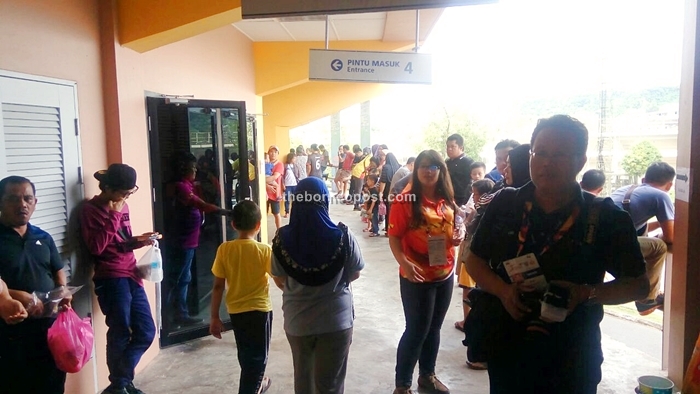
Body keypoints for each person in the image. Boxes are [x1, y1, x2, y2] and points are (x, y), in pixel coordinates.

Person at [464, 115, 648, 394]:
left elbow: (637, 284)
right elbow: (474, 260)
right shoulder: (507, 204)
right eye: (540, 153)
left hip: (571, 354)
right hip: (508, 346)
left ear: (580, 161)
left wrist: (584, 293)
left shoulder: (606, 217)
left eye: (560, 154)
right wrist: (503, 291)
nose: (547, 162)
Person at [271, 177, 364, 394]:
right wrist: (331, 285)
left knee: (303, 381)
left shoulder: (281, 239)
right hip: (336, 322)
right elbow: (356, 272)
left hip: (298, 322)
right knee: (330, 385)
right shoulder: (343, 236)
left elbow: (278, 277)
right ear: (324, 200)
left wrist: (301, 287)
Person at [80, 164, 158, 394]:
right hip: (111, 277)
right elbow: (96, 247)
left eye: (129, 192)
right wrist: (113, 214)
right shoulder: (90, 210)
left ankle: (119, 383)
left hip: (131, 274)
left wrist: (141, 241)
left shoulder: (123, 206)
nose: (126, 197)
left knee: (146, 330)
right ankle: (121, 384)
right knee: (120, 330)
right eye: (122, 192)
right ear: (107, 188)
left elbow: (122, 242)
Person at [388, 150, 458, 394]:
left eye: (434, 167)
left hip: (445, 273)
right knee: (416, 330)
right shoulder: (405, 200)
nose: (429, 171)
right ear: (416, 171)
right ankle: (402, 385)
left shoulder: (446, 197)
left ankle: (427, 376)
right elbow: (394, 237)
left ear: (441, 171)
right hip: (416, 276)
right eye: (424, 167)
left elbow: (453, 226)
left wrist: (458, 236)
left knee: (435, 328)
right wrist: (404, 262)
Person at [0, 175, 72, 394]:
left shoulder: (43, 237)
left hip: (48, 329)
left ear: (35, 202)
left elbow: (58, 270)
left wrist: (64, 292)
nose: (22, 204)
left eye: (27, 198)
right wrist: (17, 296)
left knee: (52, 384)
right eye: (13, 198)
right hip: (10, 333)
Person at [209, 201, 273, 394]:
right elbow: (279, 280)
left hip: (237, 312)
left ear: (233, 225)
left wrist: (214, 317)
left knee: (246, 356)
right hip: (260, 311)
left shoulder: (225, 249)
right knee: (258, 358)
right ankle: (253, 386)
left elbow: (218, 286)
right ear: (259, 225)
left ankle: (259, 382)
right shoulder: (264, 250)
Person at [166, 152, 224, 327]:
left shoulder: (190, 185)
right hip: (183, 241)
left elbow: (216, 190)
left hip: (190, 240)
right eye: (193, 168)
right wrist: (224, 212)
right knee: (179, 279)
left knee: (185, 277)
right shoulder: (180, 186)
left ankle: (179, 313)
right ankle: (176, 316)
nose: (195, 171)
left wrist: (208, 176)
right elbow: (202, 205)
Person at [609, 161, 675, 315]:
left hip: (601, 240)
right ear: (670, 185)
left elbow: (633, 225)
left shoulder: (626, 190)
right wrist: (662, 233)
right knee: (659, 246)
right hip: (614, 245)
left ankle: (637, 284)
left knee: (643, 233)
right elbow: (670, 237)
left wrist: (659, 225)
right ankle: (646, 300)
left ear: (644, 179)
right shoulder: (661, 196)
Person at [445, 134, 475, 208]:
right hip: (447, 198)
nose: (449, 149)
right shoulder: (446, 163)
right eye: (448, 146)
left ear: (461, 147)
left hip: (461, 201)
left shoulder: (468, 162)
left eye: (453, 146)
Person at [379, 151, 402, 234]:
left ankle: (388, 229)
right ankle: (394, 228)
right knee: (395, 211)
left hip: (387, 190)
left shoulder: (386, 167)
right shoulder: (399, 166)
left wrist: (380, 193)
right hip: (397, 191)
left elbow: (383, 181)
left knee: (388, 211)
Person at [266, 146, 284, 230]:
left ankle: (279, 232)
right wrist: (266, 185)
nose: (273, 154)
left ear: (278, 154)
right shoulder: (265, 163)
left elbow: (275, 177)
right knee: (262, 213)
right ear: (268, 153)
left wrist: (263, 180)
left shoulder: (279, 164)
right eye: (271, 152)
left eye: (275, 152)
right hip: (265, 193)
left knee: (276, 214)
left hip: (274, 194)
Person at [283, 152, 300, 218]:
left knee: (295, 199)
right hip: (287, 185)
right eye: (294, 158)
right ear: (290, 158)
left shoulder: (295, 166)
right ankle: (287, 212)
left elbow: (298, 174)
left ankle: (295, 212)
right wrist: (283, 184)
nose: (295, 159)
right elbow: (282, 176)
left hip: (295, 184)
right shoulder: (285, 166)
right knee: (287, 199)